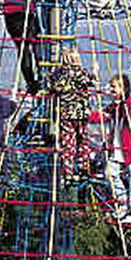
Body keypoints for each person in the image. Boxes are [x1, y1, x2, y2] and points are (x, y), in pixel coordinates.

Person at [90, 74, 131, 225]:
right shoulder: (115, 107)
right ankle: (123, 203)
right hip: (117, 149)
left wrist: (129, 105)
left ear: (123, 89)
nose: (110, 90)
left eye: (113, 87)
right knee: (110, 174)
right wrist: (84, 115)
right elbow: (101, 116)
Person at [47, 48, 96, 181]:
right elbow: (91, 82)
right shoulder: (82, 72)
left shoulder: (59, 73)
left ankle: (68, 172)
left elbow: (51, 84)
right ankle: (83, 168)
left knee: (68, 143)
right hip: (82, 113)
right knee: (83, 141)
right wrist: (94, 73)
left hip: (67, 113)